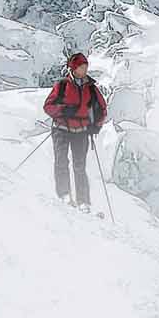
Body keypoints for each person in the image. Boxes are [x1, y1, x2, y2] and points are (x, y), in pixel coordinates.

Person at [43, 53, 108, 211]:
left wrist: (96, 125)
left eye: (85, 66)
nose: (84, 69)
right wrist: (63, 110)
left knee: (80, 166)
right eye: (81, 67)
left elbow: (102, 108)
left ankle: (83, 201)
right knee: (61, 162)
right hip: (61, 129)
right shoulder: (62, 85)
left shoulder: (91, 88)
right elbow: (48, 106)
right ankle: (64, 194)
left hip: (81, 131)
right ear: (73, 68)